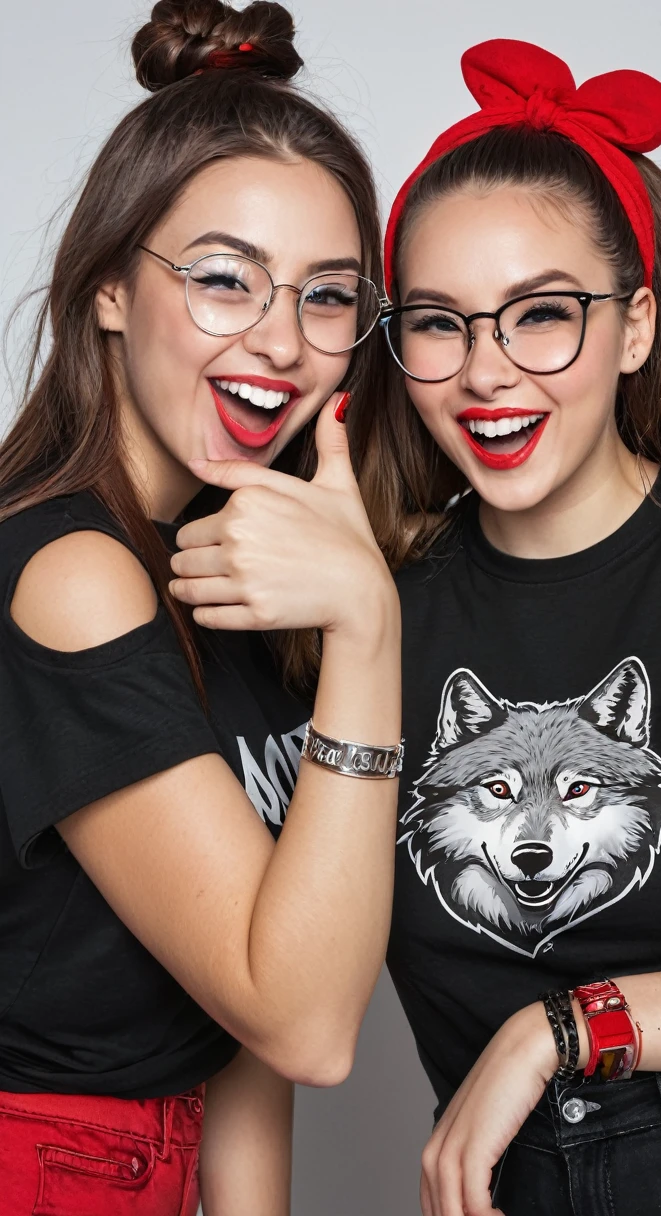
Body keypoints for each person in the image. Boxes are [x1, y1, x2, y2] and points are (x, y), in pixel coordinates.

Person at [177, 35, 661, 1216]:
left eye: (540, 316)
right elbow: (261, 998)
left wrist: (565, 1027)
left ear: (635, 326)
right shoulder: (365, 620)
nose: (485, 373)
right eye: (437, 322)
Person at [0, 3, 401, 1214]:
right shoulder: (70, 573)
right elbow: (305, 1021)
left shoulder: (231, 561)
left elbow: (236, 1039)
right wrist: (367, 630)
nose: (280, 340)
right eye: (224, 279)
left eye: (328, 296)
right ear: (112, 288)